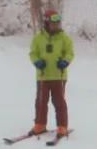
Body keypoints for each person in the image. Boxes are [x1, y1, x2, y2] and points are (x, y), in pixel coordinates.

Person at [28, 9, 75, 138]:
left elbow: (70, 52)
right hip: (43, 76)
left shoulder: (64, 38)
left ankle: (62, 126)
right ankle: (40, 124)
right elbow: (33, 53)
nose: (56, 26)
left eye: (58, 23)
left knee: (59, 102)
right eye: (54, 23)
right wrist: (37, 62)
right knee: (41, 102)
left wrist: (65, 61)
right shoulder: (38, 38)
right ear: (47, 23)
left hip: (58, 76)